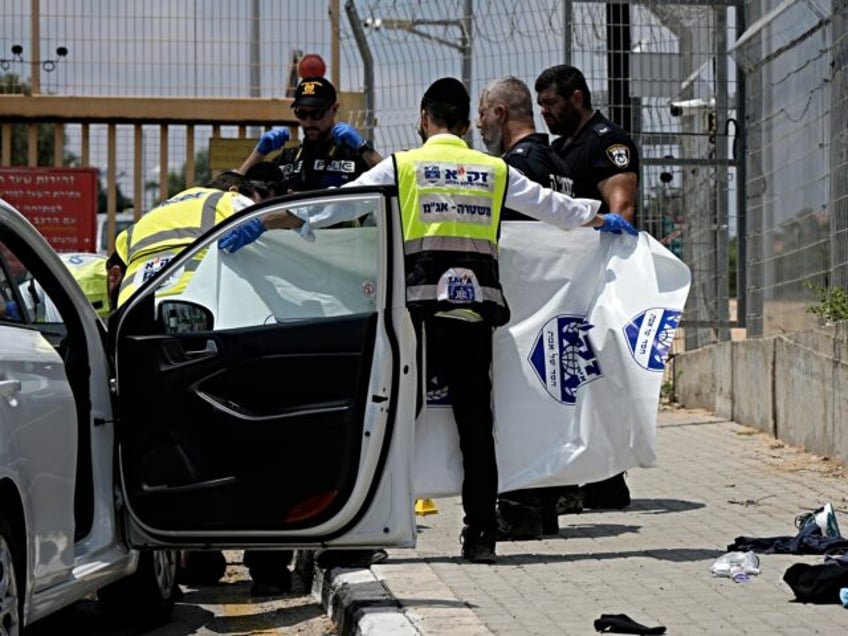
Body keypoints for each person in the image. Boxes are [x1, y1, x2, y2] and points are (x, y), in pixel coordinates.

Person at [220, 76, 636, 564]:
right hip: (475, 312)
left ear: (424, 118)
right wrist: (600, 219)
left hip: (417, 316)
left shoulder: (404, 166)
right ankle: (481, 534)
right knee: (476, 427)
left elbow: (335, 207)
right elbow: (555, 209)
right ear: (464, 124)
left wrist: (263, 223)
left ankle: (370, 531)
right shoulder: (492, 170)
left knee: (395, 423)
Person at [476, 75, 583, 541]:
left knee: (514, 405)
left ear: (500, 113)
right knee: (544, 403)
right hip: (553, 306)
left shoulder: (517, 166)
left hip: (521, 306)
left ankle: (519, 509)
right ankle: (542, 509)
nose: (479, 127)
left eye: (482, 116)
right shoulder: (556, 159)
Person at [535, 64, 641, 510]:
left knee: (589, 380)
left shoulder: (607, 143)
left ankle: (604, 481)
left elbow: (623, 210)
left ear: (577, 97)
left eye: (552, 104)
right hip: (566, 282)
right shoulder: (561, 148)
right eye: (539, 106)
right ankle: (597, 482)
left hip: (596, 283)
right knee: (573, 381)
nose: (545, 114)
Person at [107, 171, 264, 309]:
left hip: (131, 309)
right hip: (192, 304)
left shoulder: (152, 215)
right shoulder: (229, 199)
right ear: (234, 191)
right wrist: (262, 222)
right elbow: (270, 215)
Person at [238, 75, 383, 189]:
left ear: (334, 109)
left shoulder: (353, 156)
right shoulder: (288, 159)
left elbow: (394, 181)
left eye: (317, 113)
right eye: (301, 114)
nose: (308, 122)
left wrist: (363, 146)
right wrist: (258, 153)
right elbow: (234, 190)